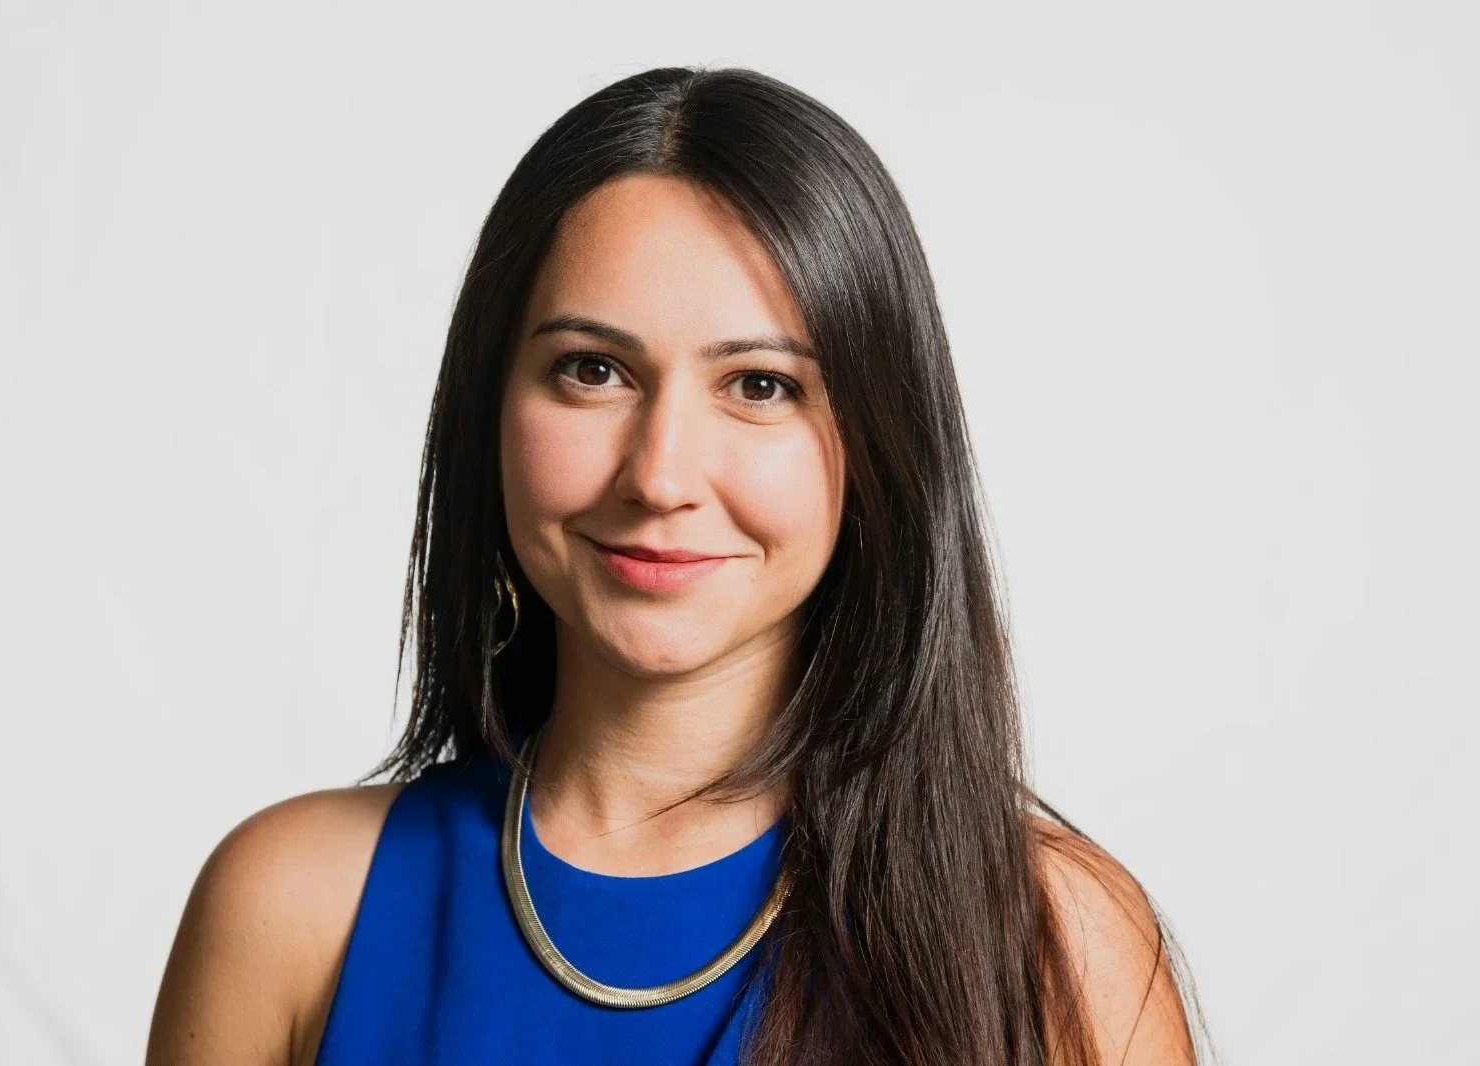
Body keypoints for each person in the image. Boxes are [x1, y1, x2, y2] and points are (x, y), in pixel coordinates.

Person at [146, 66, 1206, 1066]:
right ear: (489, 409)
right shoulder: (290, 906)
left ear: (879, 442)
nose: (659, 476)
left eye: (759, 386)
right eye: (592, 370)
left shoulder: (1058, 941)